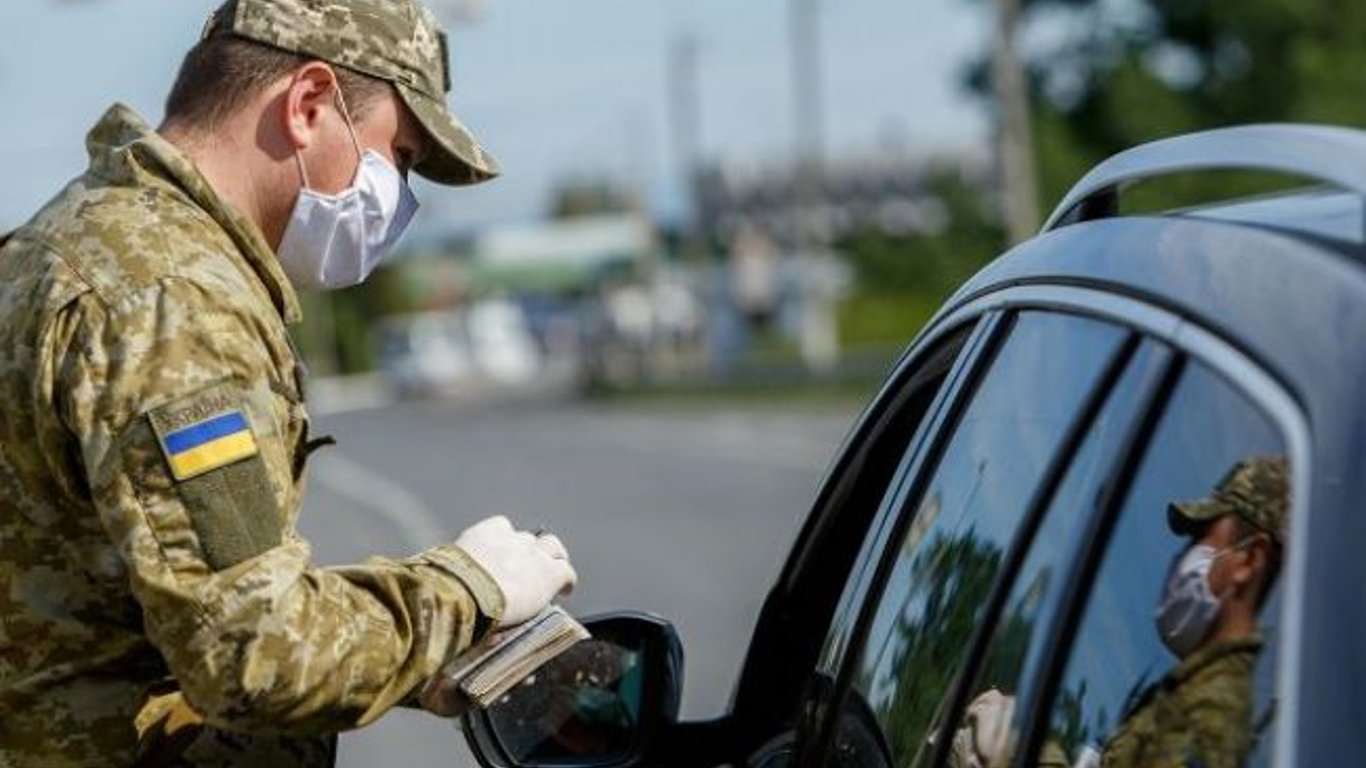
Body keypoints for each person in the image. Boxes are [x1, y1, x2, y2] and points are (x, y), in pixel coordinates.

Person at [0, 1, 576, 766]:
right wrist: (469, 589)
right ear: (307, 105)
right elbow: (251, 653)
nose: (400, 195)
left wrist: (413, 656)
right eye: (400, 156)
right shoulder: (173, 298)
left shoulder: (69, 242)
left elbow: (140, 603)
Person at [952, 456, 1288, 768]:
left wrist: (1015, 751)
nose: (1182, 559)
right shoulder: (1187, 691)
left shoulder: (1211, 717)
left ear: (1249, 560)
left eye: (1202, 538)